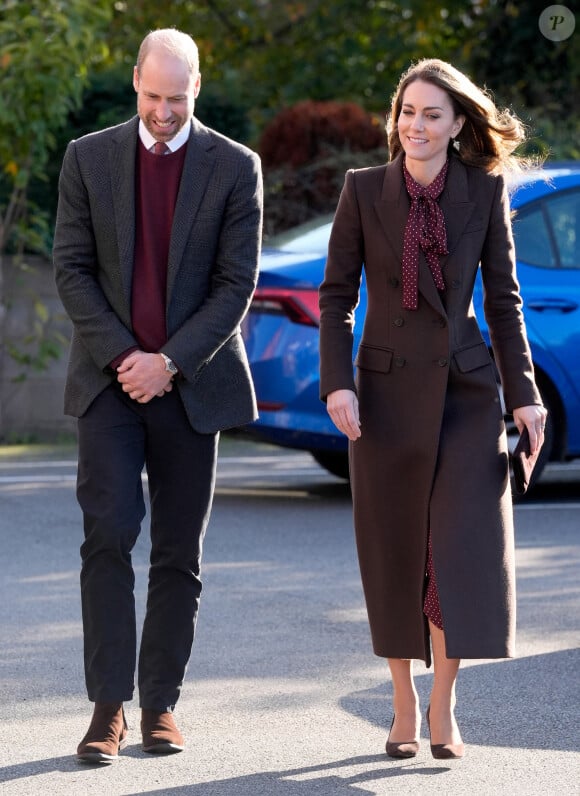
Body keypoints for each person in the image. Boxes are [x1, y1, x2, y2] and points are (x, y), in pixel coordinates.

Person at [319, 59, 546, 760]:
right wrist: (338, 383)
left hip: (465, 396)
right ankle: (401, 702)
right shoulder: (363, 191)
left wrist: (526, 397)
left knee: (455, 555)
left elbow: (504, 304)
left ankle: (445, 703)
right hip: (382, 399)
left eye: (432, 116)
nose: (415, 126)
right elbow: (336, 297)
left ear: (456, 127)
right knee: (396, 556)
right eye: (407, 112)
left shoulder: (484, 192)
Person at [53, 28, 263, 763]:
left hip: (192, 383)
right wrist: (126, 358)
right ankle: (107, 707)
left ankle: (161, 706)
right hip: (109, 383)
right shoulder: (88, 157)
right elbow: (72, 269)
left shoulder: (236, 167)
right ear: (134, 82)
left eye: (177, 99)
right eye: (152, 97)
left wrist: (168, 362)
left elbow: (236, 284)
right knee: (107, 535)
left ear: (196, 87)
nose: (163, 112)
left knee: (179, 551)